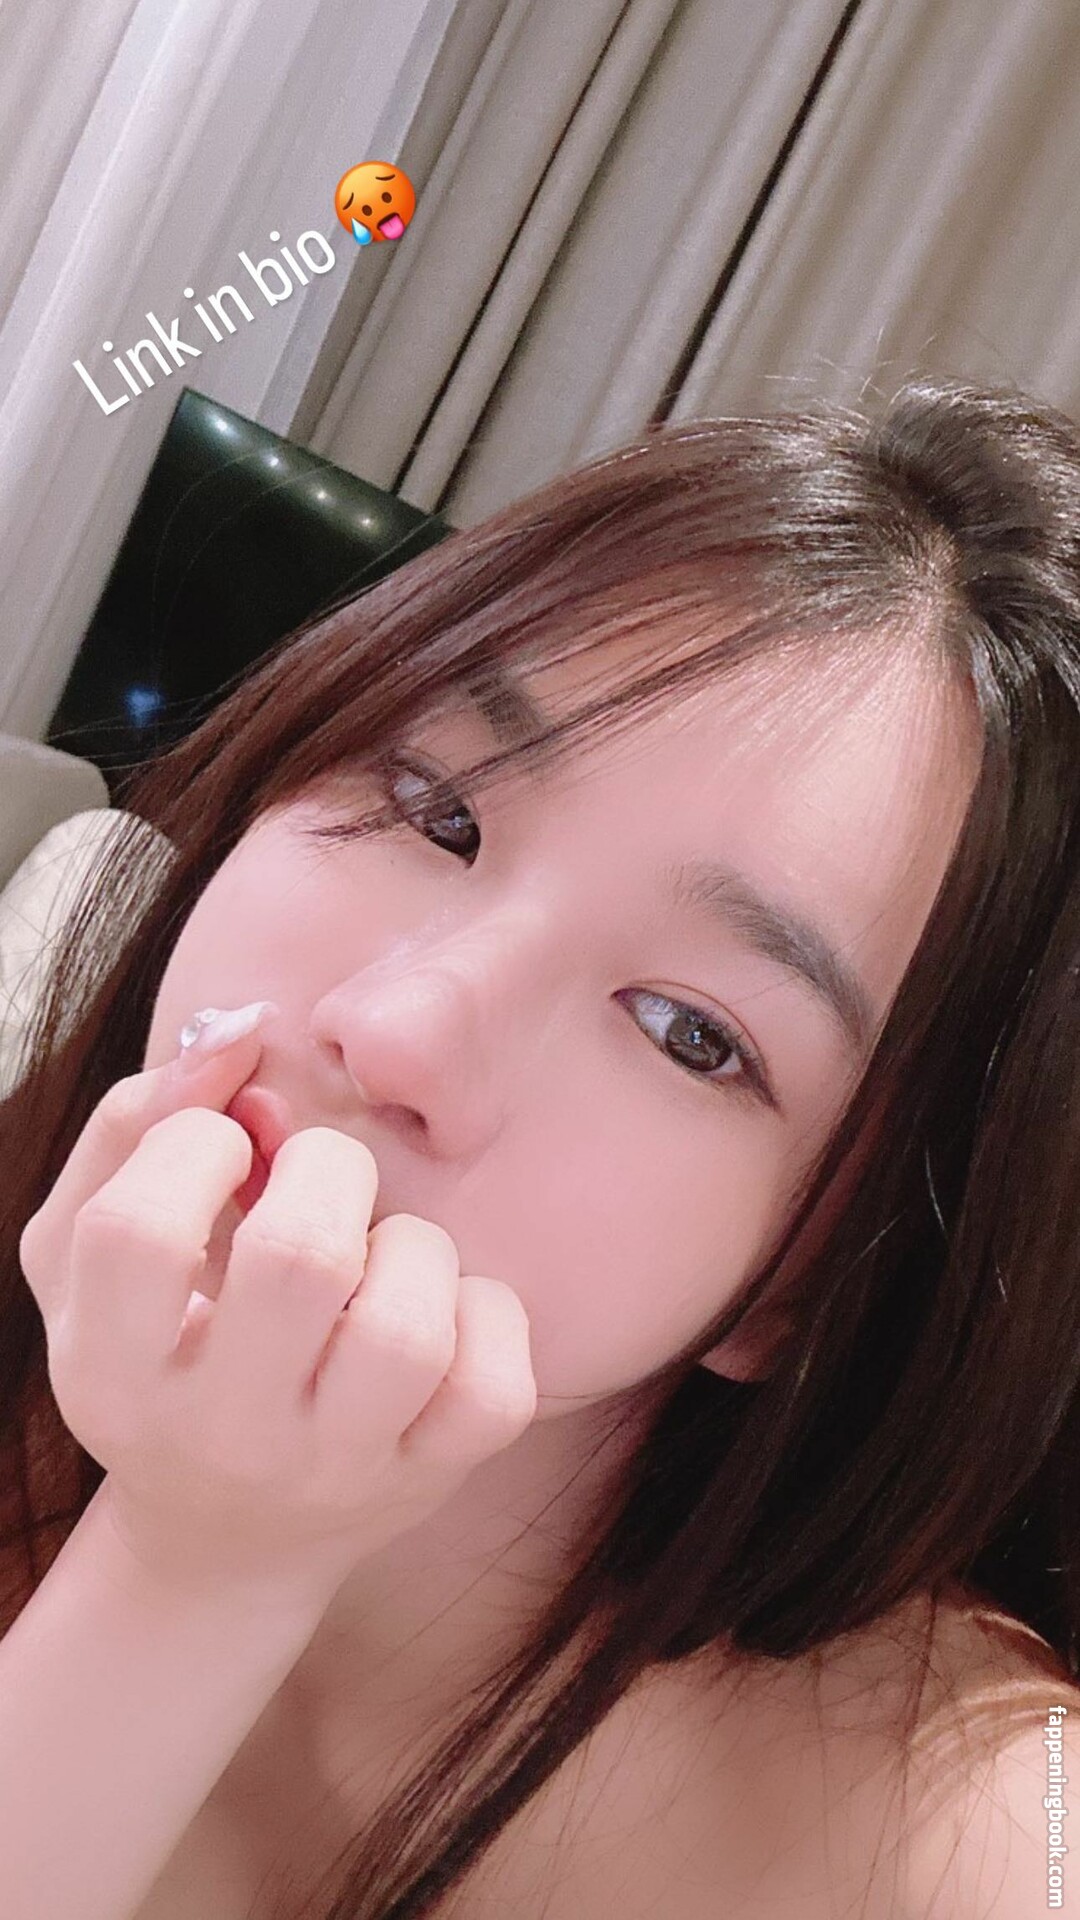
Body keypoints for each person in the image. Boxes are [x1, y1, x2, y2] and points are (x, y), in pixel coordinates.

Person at [0, 372, 1078, 1920]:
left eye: (691, 1033)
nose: (395, 1031)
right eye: (436, 809)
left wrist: (204, 1562)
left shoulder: (987, 1852)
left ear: (812, 1279)